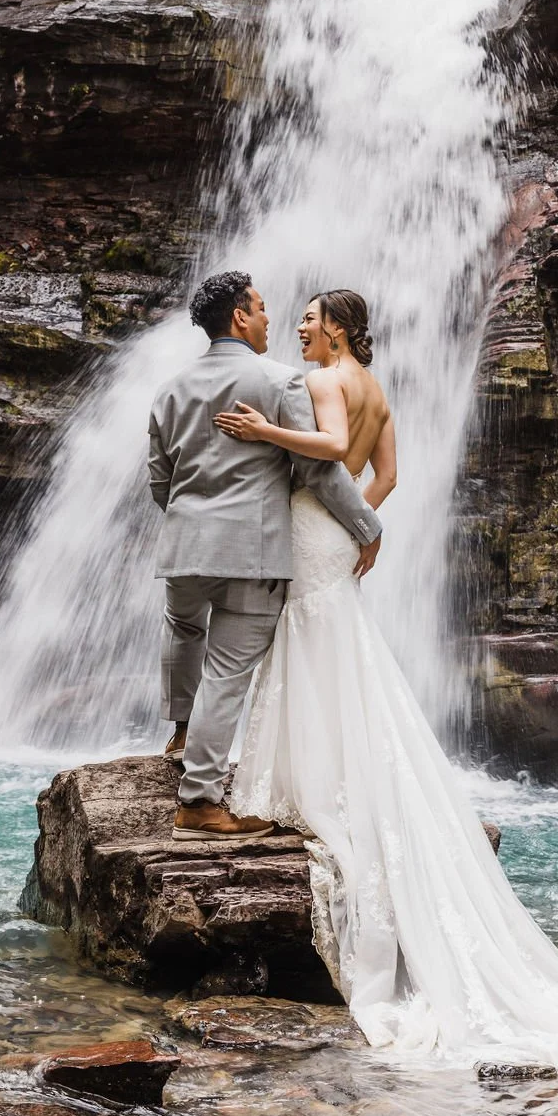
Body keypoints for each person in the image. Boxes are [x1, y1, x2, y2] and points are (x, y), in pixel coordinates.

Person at [214, 287, 558, 1083]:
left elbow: (323, 446)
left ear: (342, 329)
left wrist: (262, 430)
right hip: (336, 530)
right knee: (341, 651)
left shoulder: (325, 380)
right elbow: (386, 472)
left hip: (308, 526)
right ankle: (341, 763)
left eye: (313, 319)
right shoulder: (379, 390)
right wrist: (362, 521)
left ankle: (309, 775)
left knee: (309, 643)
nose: (301, 327)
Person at [147, 271, 382, 843]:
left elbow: (160, 479)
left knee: (182, 628)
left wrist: (190, 518)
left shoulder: (170, 388)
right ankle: (199, 802)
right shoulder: (280, 382)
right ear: (239, 318)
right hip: (250, 554)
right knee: (227, 673)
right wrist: (366, 526)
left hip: (183, 547)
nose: (271, 319)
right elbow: (319, 469)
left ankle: (180, 734)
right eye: (260, 308)